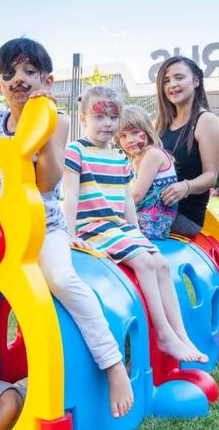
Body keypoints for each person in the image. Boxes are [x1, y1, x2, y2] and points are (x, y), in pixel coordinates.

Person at [0, 38, 133, 419]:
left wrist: (42, 132)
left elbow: (47, 182)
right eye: (9, 74)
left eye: (29, 72)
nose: (19, 80)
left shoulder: (55, 121)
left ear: (47, 79)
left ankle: (113, 366)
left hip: (43, 227)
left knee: (61, 280)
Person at [63, 86, 207, 363]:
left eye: (113, 117)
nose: (107, 124)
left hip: (118, 228)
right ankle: (163, 334)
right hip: (92, 226)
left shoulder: (119, 157)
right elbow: (70, 196)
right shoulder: (76, 150)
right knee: (144, 262)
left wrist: (137, 233)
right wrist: (70, 235)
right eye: (99, 117)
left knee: (161, 263)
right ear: (83, 120)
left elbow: (127, 198)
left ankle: (181, 334)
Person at [155, 55, 219, 238]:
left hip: (184, 216)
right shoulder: (163, 124)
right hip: (156, 206)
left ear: (196, 80)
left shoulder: (206, 121)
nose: (172, 85)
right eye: (166, 81)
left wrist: (185, 187)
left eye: (179, 77)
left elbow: (211, 176)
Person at [116, 105, 178, 240]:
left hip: (152, 221)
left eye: (135, 132)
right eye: (123, 136)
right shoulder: (137, 159)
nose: (130, 140)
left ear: (147, 131)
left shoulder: (152, 154)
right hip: (144, 217)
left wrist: (114, 214)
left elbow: (137, 195)